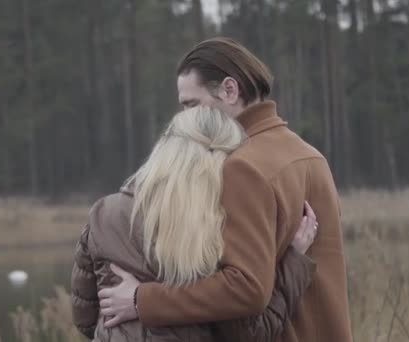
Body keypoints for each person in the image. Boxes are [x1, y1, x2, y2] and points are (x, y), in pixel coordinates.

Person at [98, 37, 353, 342]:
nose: (185, 118)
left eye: (191, 104)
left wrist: (142, 300)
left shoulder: (241, 166)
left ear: (230, 90)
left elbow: (245, 287)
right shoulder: (311, 156)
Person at [71, 106, 318, 341]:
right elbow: (252, 335)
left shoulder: (103, 214)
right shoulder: (211, 234)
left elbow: (84, 317)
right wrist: (293, 261)